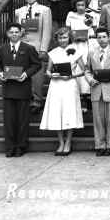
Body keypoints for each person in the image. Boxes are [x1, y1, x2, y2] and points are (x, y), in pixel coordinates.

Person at [0, 23, 41, 157]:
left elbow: (37, 64)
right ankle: (10, 147)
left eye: (17, 32)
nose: (14, 34)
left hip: (23, 88)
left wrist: (26, 74)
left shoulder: (29, 48)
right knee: (9, 120)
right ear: (7, 34)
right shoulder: (2, 49)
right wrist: (1, 74)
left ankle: (21, 146)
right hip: (8, 89)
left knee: (22, 120)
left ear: (21, 33)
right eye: (11, 32)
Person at [41, 28, 85, 156]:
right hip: (56, 85)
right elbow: (48, 71)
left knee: (69, 112)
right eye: (60, 38)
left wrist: (72, 76)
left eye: (65, 37)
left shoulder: (75, 51)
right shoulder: (53, 52)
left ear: (69, 38)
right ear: (57, 39)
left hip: (70, 85)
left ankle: (68, 142)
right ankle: (60, 142)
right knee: (57, 113)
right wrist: (52, 75)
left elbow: (84, 70)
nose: (62, 40)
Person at [84, 27, 110, 156]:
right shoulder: (91, 52)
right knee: (98, 119)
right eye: (99, 37)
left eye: (104, 37)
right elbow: (87, 70)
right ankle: (100, 145)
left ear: (109, 37)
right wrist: (90, 80)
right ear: (96, 39)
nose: (101, 40)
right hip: (97, 89)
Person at [14, 0, 52, 113]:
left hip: (37, 47)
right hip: (23, 46)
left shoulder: (45, 10)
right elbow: (15, 31)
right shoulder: (19, 11)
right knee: (23, 73)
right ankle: (26, 98)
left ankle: (37, 100)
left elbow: (47, 31)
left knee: (37, 75)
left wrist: (43, 49)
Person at [65, 0, 97, 100]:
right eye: (78, 5)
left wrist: (86, 37)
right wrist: (73, 37)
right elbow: (67, 31)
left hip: (86, 45)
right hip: (74, 45)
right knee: (76, 66)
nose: (80, 7)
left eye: (82, 5)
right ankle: (77, 93)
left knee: (86, 66)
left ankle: (86, 94)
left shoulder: (90, 15)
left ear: (86, 5)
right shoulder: (70, 15)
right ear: (75, 5)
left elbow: (96, 33)